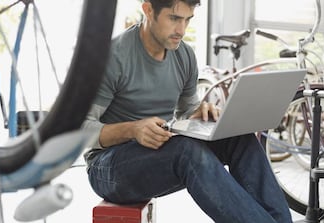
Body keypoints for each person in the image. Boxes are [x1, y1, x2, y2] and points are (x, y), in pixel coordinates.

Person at [82, 0, 292, 222]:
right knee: (186, 150)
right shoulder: (112, 57)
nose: (181, 30)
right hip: (107, 169)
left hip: (157, 156)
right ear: (148, 10)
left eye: (188, 19)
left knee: (240, 138)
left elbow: (187, 110)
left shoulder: (184, 56)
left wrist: (201, 112)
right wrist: (133, 130)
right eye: (174, 18)